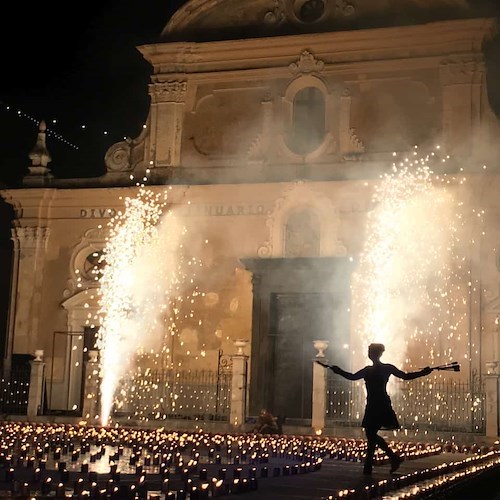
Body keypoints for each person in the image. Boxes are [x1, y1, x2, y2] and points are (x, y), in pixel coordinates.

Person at [321, 343, 432, 475]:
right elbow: (405, 376)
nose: (369, 353)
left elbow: (352, 377)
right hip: (376, 404)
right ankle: (388, 459)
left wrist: (423, 373)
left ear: (375, 354)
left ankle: (373, 465)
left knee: (371, 434)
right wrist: (338, 371)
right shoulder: (379, 369)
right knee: (371, 434)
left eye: (370, 351)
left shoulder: (374, 369)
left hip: (379, 404)